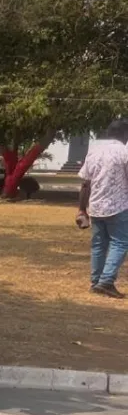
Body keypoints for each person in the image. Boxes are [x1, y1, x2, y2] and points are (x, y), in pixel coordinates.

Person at [78, 118, 128, 299]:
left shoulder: (95, 152)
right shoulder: (124, 151)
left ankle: (96, 282)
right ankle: (106, 281)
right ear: (124, 134)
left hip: (96, 206)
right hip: (119, 206)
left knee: (99, 245)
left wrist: (82, 209)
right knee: (120, 242)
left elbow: (85, 184)